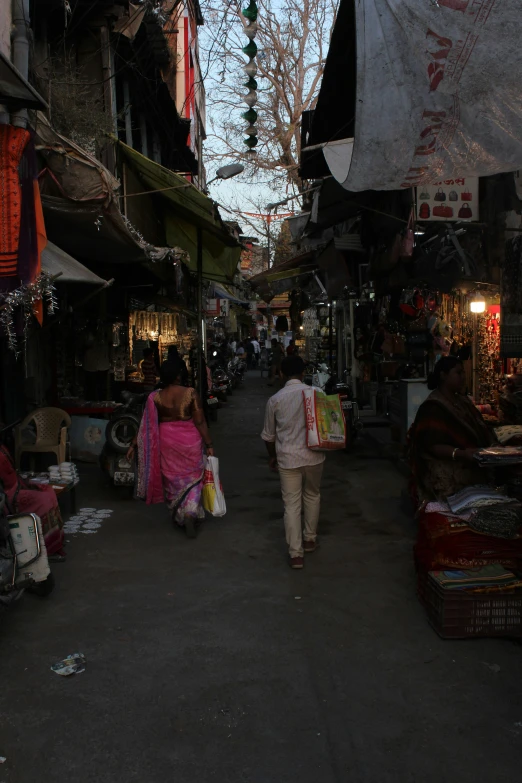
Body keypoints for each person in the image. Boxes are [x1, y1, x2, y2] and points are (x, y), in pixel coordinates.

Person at [129, 358, 215, 538]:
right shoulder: (190, 393)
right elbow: (199, 421)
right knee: (194, 476)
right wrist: (209, 444)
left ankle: (181, 514)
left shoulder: (155, 397)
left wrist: (133, 444)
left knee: (172, 479)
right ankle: (190, 512)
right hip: (189, 440)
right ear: (179, 374)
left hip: (166, 440)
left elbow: (145, 425)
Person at [261, 355, 325, 569]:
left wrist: (273, 456)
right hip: (314, 455)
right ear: (303, 373)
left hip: (287, 458)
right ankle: (309, 539)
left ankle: (296, 554)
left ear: (281, 374)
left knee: (291, 505)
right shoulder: (317, 393)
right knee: (312, 495)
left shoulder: (276, 400)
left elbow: (269, 436)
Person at [409, 355, 495, 501]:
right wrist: (461, 454)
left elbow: (480, 427)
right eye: (458, 373)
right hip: (447, 467)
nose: (463, 377)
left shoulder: (462, 401)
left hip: (472, 461)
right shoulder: (433, 407)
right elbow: (431, 445)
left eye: (463, 373)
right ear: (443, 375)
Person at [0, 445, 65, 557]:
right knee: (44, 500)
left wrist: (26, 483)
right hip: (7, 496)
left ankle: (55, 541)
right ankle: (46, 546)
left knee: (49, 490)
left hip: (17, 486)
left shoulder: (2, 447)